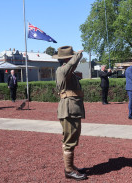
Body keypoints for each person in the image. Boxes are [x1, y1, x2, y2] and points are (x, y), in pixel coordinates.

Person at [55, 46, 87, 181]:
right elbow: (71, 64)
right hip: (69, 110)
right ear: (67, 59)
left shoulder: (68, 72)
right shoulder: (62, 70)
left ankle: (71, 166)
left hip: (72, 109)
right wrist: (78, 55)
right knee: (69, 140)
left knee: (72, 137)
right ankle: (68, 170)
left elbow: (72, 66)